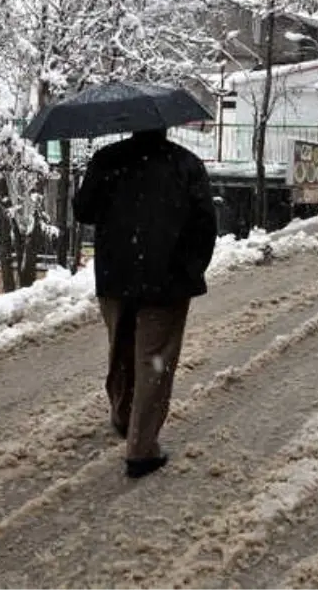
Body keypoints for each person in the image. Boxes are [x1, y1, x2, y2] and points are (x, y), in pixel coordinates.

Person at [73, 127, 217, 479]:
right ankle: (141, 448)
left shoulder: (108, 159)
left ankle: (123, 416)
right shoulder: (186, 164)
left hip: (115, 277)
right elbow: (205, 226)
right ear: (165, 124)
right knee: (154, 362)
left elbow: (83, 211)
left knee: (121, 350)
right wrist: (189, 268)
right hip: (166, 282)